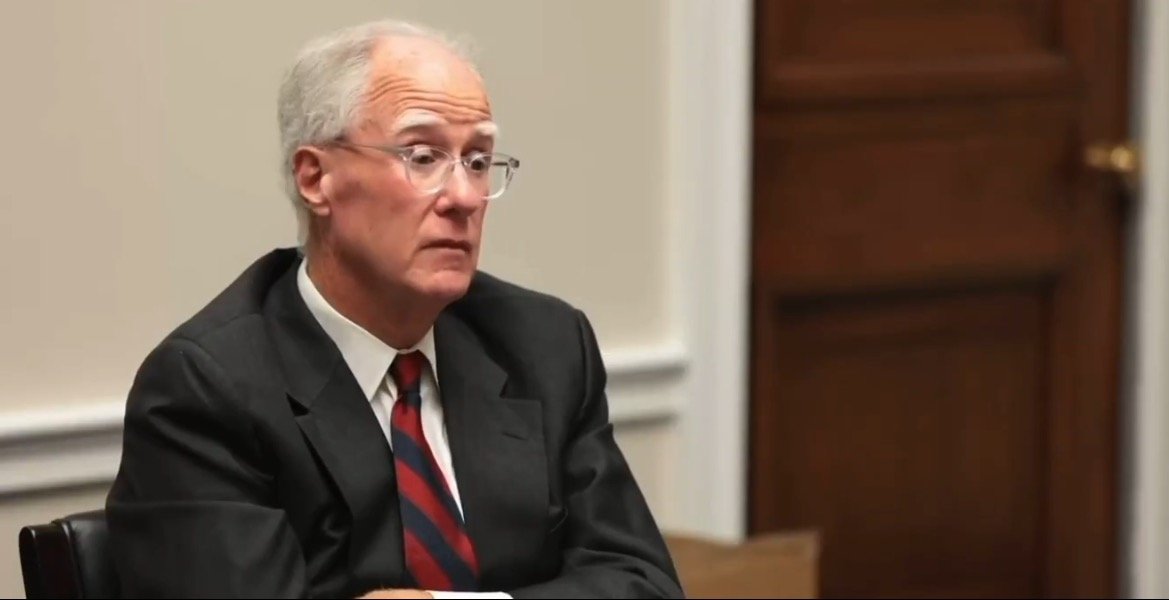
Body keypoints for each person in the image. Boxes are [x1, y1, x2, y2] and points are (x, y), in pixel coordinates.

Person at [105, 18, 682, 600]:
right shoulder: (207, 388)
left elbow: (646, 585)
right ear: (316, 178)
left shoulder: (545, 343)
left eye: (479, 160)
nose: (463, 197)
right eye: (423, 155)